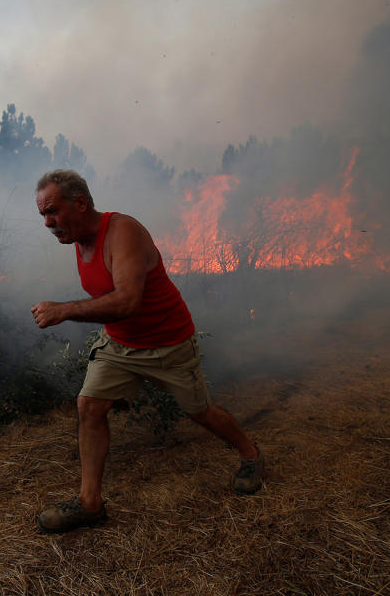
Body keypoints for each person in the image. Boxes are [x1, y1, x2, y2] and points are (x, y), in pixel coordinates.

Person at [31, 169, 263, 534]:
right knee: (89, 406)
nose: (48, 223)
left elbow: (126, 302)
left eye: (53, 211)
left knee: (200, 411)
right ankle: (90, 504)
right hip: (119, 344)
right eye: (43, 215)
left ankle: (250, 455)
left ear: (80, 202)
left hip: (168, 343)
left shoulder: (123, 232)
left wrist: (65, 309)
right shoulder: (76, 238)